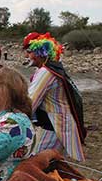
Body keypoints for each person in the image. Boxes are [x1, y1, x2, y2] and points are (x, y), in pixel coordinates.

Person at [23, 32, 86, 161]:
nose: (26, 55)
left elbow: (30, 103)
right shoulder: (53, 68)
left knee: (37, 162)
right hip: (56, 126)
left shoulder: (46, 73)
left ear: (41, 51)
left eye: (29, 51)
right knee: (51, 164)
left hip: (54, 127)